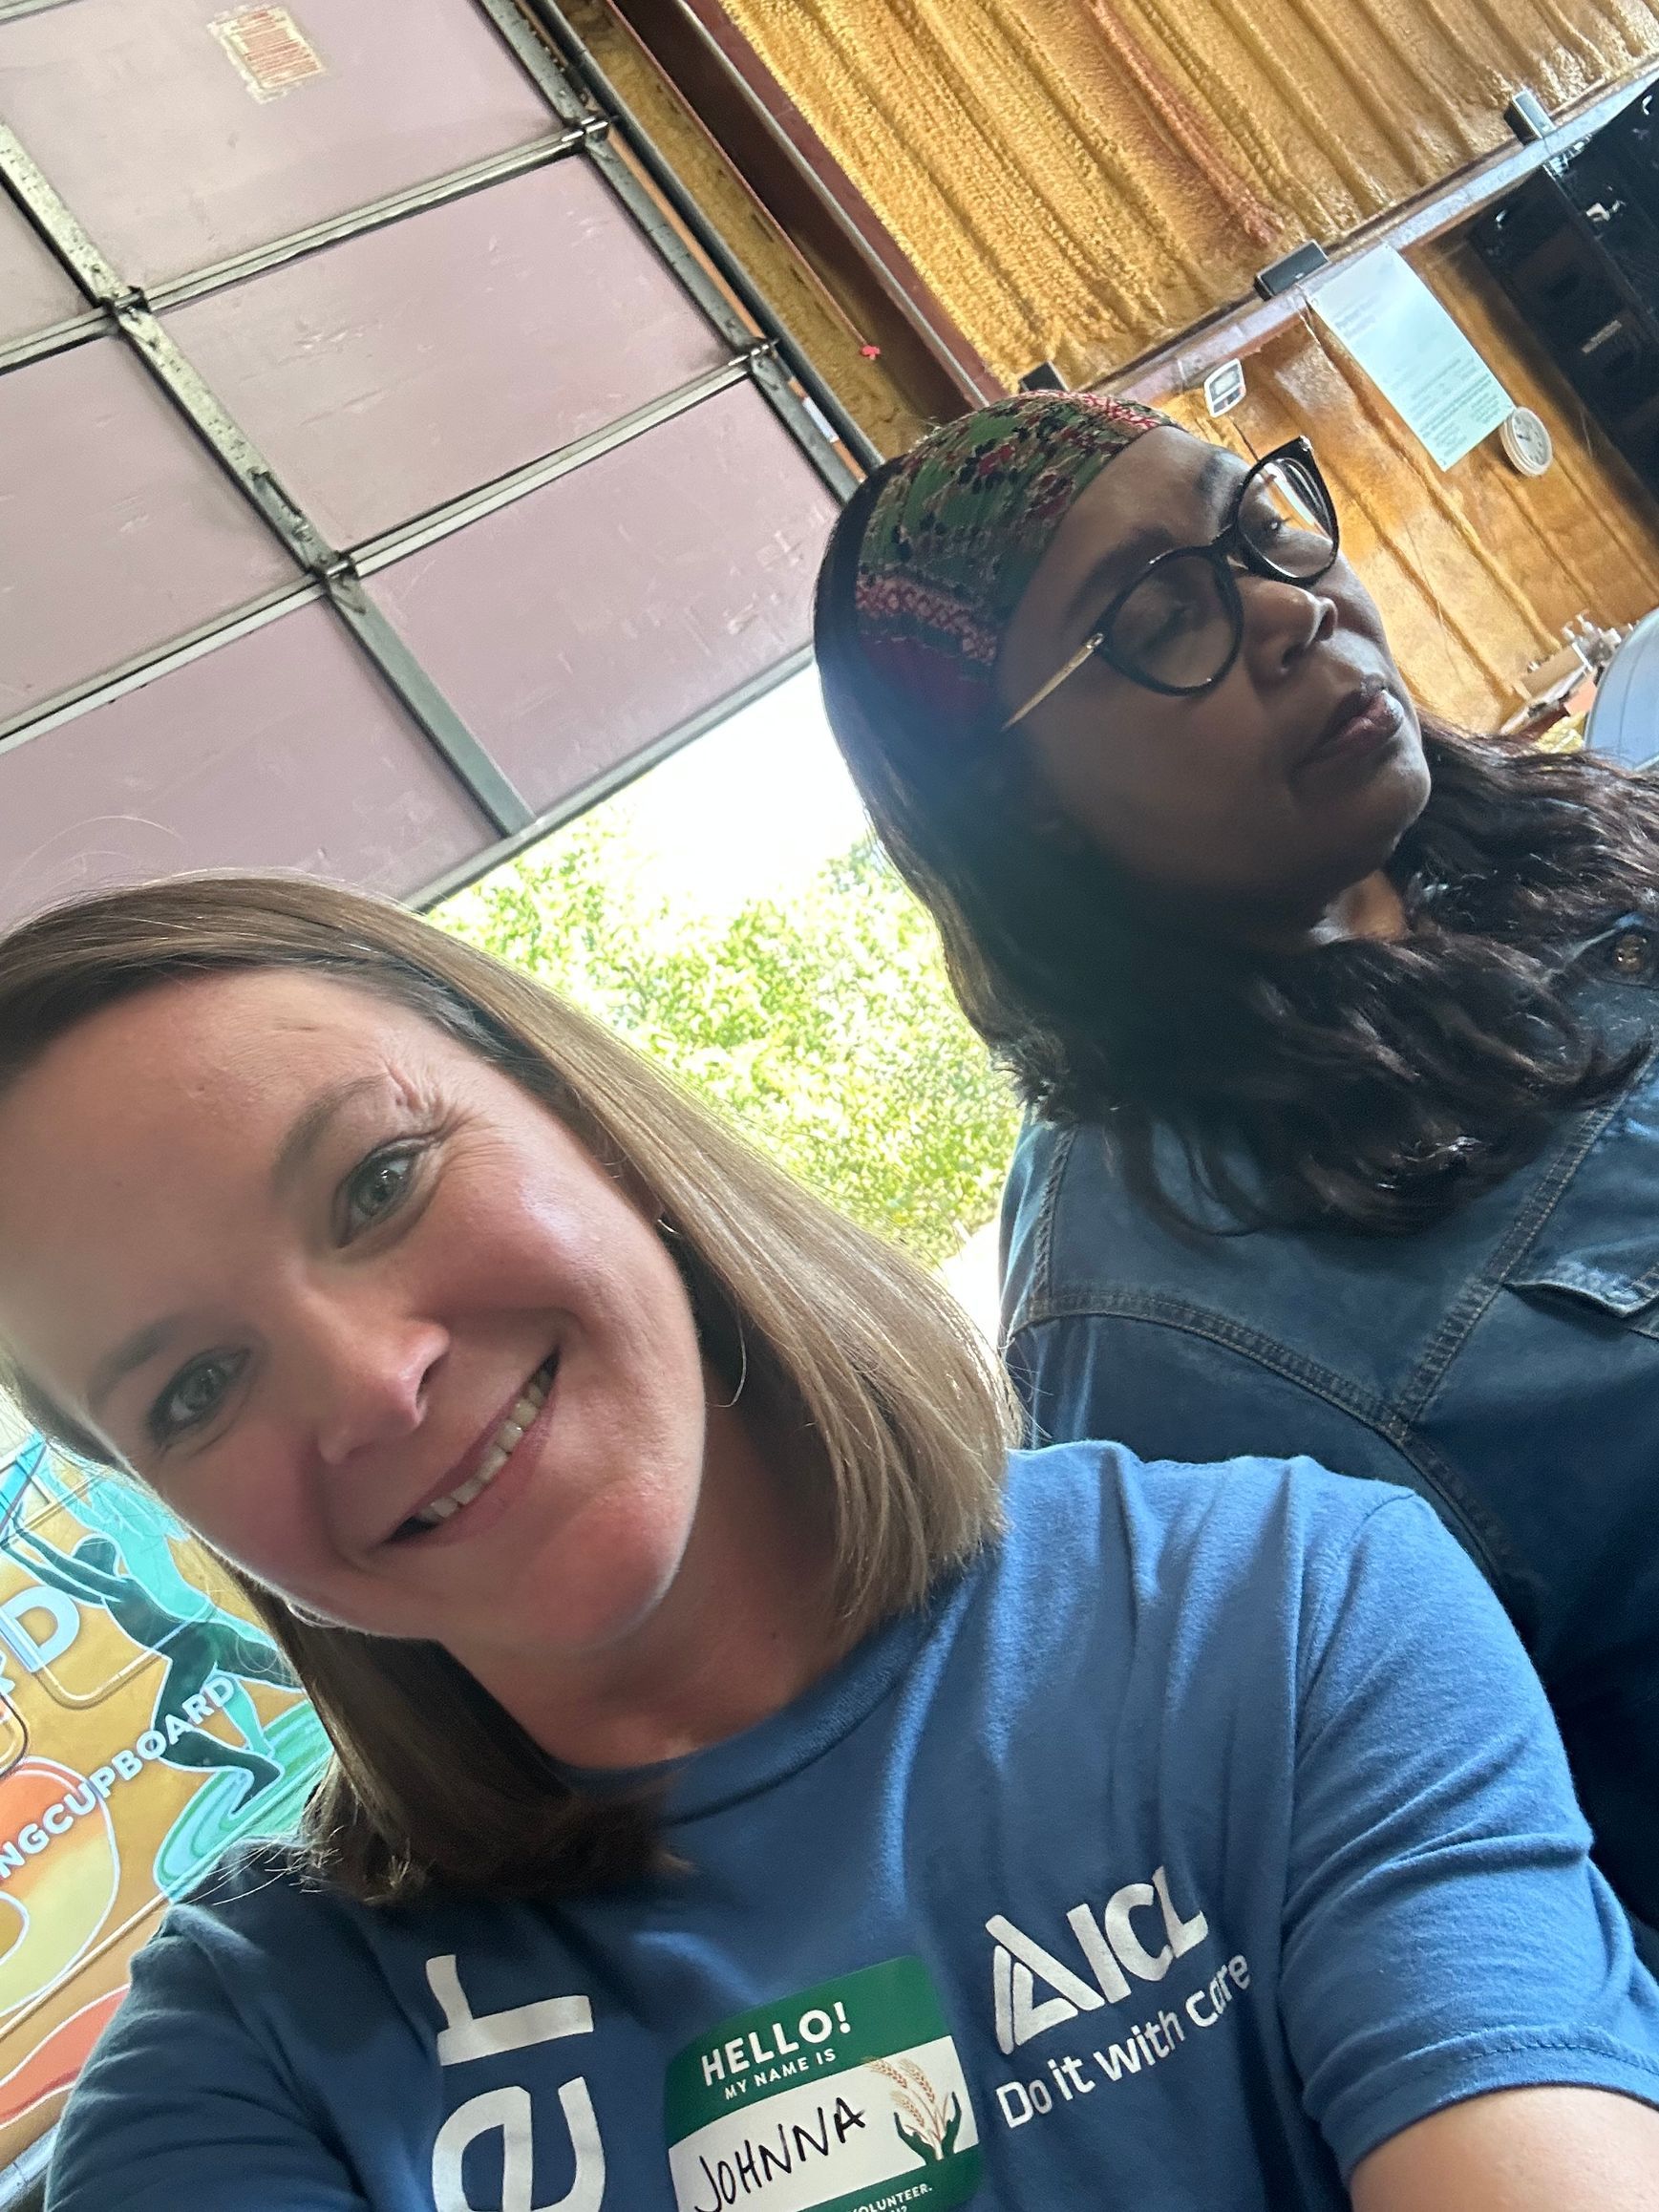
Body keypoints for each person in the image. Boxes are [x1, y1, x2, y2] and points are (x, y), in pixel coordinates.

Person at [0, 877, 1655, 2212]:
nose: (373, 1384)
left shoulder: (1281, 1608)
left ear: (593, 1127)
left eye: (377, 1183)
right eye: (198, 1386)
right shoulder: (245, 2056)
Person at [815, 390, 1659, 1965]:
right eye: (1157, 619)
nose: (1286, 608)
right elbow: (1459, 1915)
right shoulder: (1163, 1332)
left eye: (1257, 530)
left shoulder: (1555, 840)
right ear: (1018, 798)